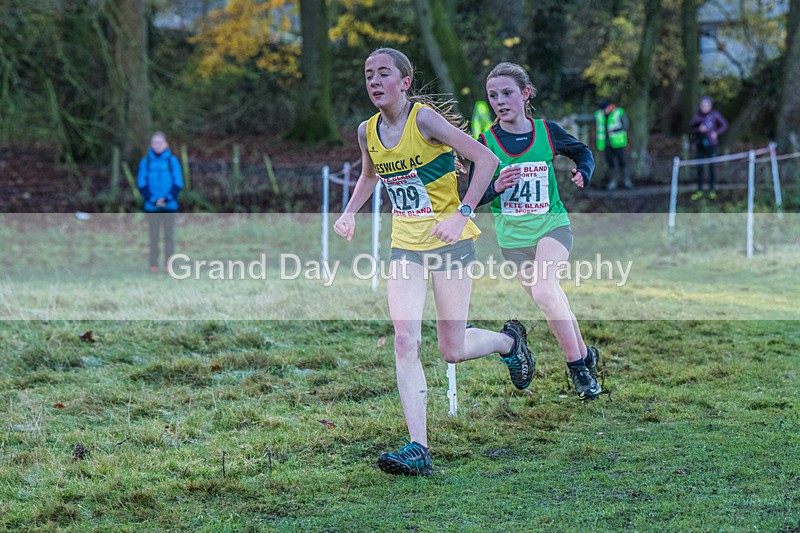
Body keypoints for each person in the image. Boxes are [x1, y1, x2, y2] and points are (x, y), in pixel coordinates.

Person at [333, 48, 534, 476]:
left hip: (450, 245)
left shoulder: (423, 119)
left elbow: (487, 159)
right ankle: (418, 448)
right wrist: (350, 211)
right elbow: (370, 176)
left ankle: (508, 343)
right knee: (405, 341)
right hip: (405, 247)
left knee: (452, 349)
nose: (373, 81)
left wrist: (462, 212)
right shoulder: (366, 130)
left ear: (404, 82)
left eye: (383, 73)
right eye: (368, 73)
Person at [473, 62, 601, 401]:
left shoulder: (547, 131)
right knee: (553, 300)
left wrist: (583, 171)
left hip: (552, 227)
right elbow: (470, 195)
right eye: (493, 96)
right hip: (513, 242)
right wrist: (496, 186)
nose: (500, 101)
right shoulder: (485, 142)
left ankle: (578, 370)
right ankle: (587, 357)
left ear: (525, 94)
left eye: (507, 93)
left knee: (546, 292)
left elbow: (582, 151)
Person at [137, 132, 184, 273]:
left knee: (169, 237)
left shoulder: (172, 161)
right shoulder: (145, 162)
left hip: (169, 205)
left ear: (166, 144)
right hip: (151, 207)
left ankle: (169, 265)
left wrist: (167, 198)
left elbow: (178, 182)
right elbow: (141, 183)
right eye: (154, 143)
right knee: (153, 237)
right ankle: (153, 264)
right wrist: (153, 199)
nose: (157, 145)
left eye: (159, 143)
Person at [690, 96, 728, 200]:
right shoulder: (697, 117)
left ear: (710, 106)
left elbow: (724, 125)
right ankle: (699, 191)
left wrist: (717, 133)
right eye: (703, 105)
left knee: (712, 168)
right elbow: (692, 130)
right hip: (700, 146)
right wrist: (699, 129)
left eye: (707, 105)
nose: (704, 107)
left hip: (712, 146)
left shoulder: (714, 116)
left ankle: (712, 191)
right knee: (700, 169)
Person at [594, 100, 631, 189]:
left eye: (605, 109)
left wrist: (614, 130)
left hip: (618, 142)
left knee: (622, 161)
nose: (604, 111)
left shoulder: (619, 112)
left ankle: (626, 181)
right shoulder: (599, 115)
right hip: (606, 144)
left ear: (610, 106)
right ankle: (613, 182)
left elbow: (625, 125)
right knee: (610, 163)